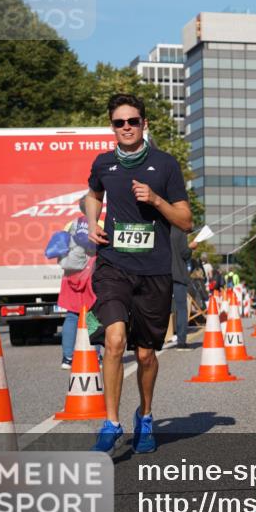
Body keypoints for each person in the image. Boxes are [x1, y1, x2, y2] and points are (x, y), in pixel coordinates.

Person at [86, 93, 192, 454]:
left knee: (146, 355)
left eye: (133, 121)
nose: (126, 127)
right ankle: (111, 423)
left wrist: (157, 201)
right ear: (112, 127)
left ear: (144, 124)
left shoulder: (165, 165)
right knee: (114, 340)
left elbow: (186, 221)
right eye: (119, 122)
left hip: (154, 271)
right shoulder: (103, 164)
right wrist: (91, 222)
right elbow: (91, 195)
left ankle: (145, 415)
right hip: (113, 265)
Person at [56, 196, 100, 369]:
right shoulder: (100, 225)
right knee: (93, 315)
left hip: (71, 275)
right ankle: (96, 356)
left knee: (72, 316)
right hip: (91, 275)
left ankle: (67, 358)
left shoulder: (70, 225)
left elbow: (61, 247)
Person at [170, 225, 198, 351]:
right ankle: (181, 341)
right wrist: (191, 247)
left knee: (159, 308)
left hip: (162, 275)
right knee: (181, 309)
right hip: (178, 274)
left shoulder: (162, 227)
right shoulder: (179, 230)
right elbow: (184, 253)